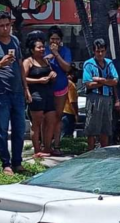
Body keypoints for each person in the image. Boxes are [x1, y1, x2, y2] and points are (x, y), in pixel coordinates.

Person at [0, 11, 31, 175]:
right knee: (1, 129)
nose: (5, 28)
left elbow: (20, 65)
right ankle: (6, 163)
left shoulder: (15, 40)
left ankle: (17, 162)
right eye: (1, 26)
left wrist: (26, 88)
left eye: (7, 25)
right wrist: (0, 64)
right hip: (0, 92)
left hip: (17, 92)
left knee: (19, 128)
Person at [23, 34, 56, 158]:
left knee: (51, 121)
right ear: (32, 49)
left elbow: (51, 72)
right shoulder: (28, 61)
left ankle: (47, 148)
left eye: (43, 47)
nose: (42, 49)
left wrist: (52, 75)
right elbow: (23, 79)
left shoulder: (46, 61)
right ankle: (37, 150)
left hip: (48, 94)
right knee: (36, 123)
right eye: (39, 48)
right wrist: (38, 81)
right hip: (36, 95)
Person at [83, 38, 117, 150]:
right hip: (94, 98)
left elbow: (115, 81)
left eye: (102, 51)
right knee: (92, 127)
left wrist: (100, 80)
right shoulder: (88, 64)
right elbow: (88, 84)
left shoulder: (109, 63)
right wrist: (107, 82)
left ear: (106, 51)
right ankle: (91, 152)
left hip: (107, 98)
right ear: (94, 51)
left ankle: (104, 152)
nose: (100, 53)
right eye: (98, 51)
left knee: (105, 127)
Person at [45, 25, 71, 155]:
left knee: (57, 117)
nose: (54, 41)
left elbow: (67, 68)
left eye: (57, 39)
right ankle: (46, 145)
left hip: (61, 87)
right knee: (47, 117)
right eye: (52, 39)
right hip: (47, 88)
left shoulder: (65, 51)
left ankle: (57, 145)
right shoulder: (43, 50)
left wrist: (56, 54)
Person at [61, 67, 79, 138]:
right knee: (67, 135)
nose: (75, 76)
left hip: (61, 111)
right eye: (73, 74)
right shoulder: (71, 84)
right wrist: (76, 114)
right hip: (69, 113)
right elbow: (73, 101)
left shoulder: (62, 82)